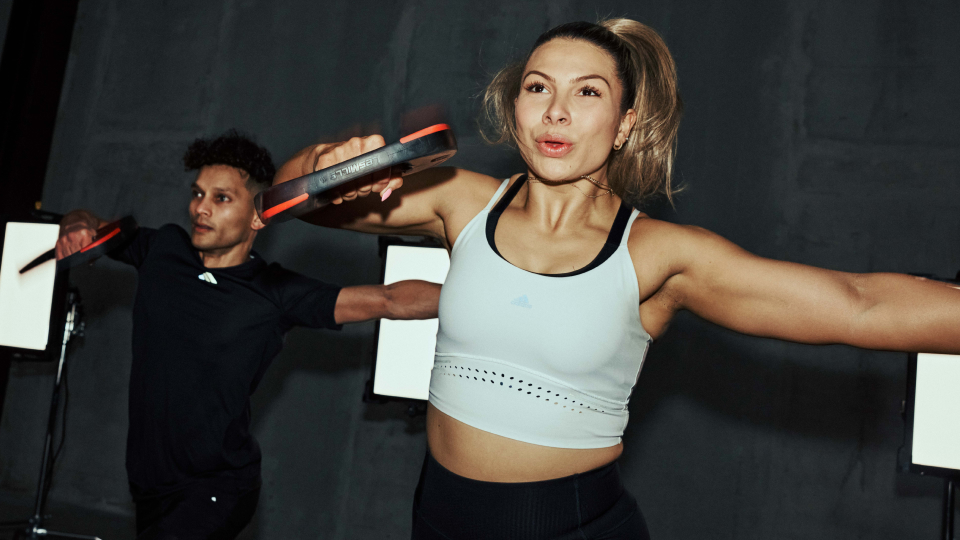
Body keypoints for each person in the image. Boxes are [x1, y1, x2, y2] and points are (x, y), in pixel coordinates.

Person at [274, 20, 960, 540]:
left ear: (627, 124)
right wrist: (334, 160)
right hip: (439, 510)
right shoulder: (459, 197)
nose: (556, 111)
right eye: (538, 87)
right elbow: (290, 199)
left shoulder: (659, 254)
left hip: (567, 524)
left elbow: (859, 305)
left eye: (587, 92)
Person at [55, 130, 441, 540]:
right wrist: (75, 226)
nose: (201, 209)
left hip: (215, 488)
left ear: (257, 215)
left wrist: (477, 295)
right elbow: (91, 223)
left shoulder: (273, 292)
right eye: (198, 194)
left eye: (221, 198)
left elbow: (389, 299)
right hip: (149, 480)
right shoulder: (162, 248)